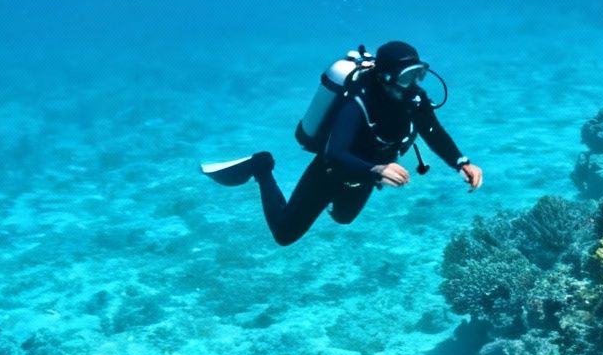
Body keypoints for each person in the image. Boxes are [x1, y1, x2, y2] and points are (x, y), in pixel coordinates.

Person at [202, 41, 483, 246]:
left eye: (418, 73)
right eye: (407, 76)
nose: (414, 82)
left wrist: (462, 163)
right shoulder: (358, 101)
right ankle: (261, 167)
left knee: (343, 218)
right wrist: (377, 171)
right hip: (332, 169)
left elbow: (433, 131)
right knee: (285, 235)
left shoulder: (414, 99)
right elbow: (334, 153)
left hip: (366, 173)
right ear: (386, 77)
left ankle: (338, 196)